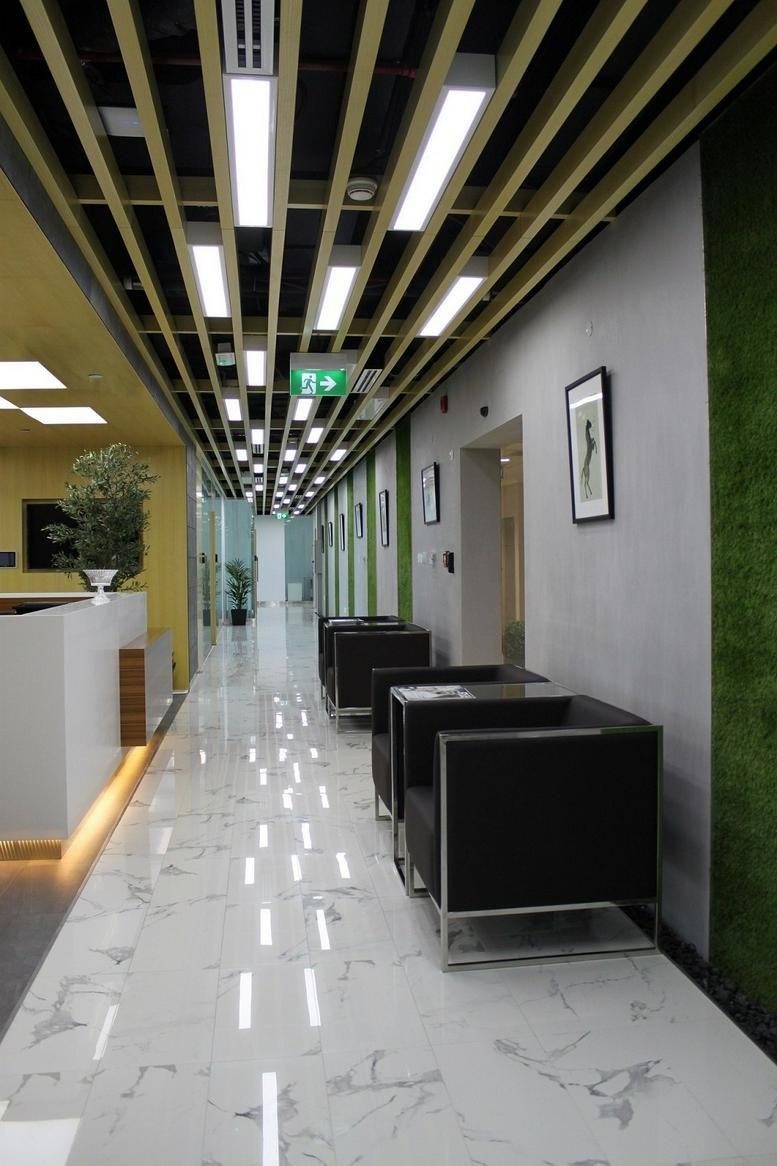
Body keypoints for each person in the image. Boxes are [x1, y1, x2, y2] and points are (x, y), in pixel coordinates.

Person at [581, 417, 597, 498]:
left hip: (588, 456)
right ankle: (587, 493)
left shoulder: (587, 433)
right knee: (587, 480)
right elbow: (589, 442)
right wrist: (593, 444)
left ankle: (588, 493)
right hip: (587, 459)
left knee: (587, 479)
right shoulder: (587, 434)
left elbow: (590, 441)